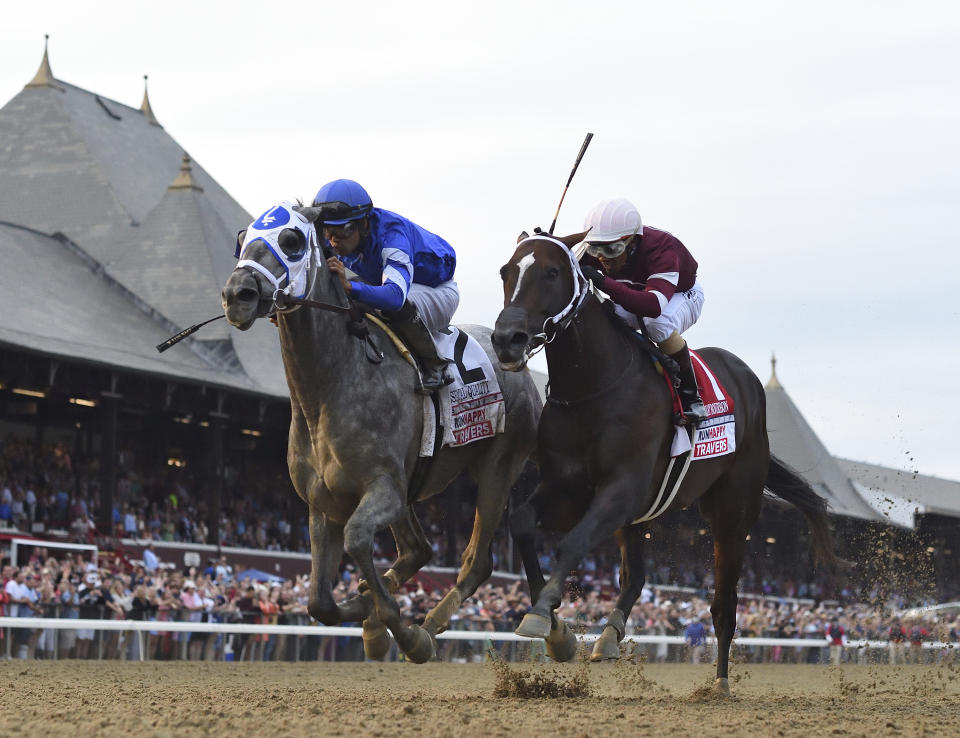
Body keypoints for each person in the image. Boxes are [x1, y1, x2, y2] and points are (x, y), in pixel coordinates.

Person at [313, 179, 459, 392]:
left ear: (363, 223)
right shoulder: (337, 236)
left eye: (343, 231)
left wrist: (350, 289)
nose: (333, 241)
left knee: (380, 301)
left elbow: (394, 297)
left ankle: (435, 365)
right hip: (390, 283)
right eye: (327, 231)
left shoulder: (392, 236)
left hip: (438, 291)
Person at [579, 198, 707, 423]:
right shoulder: (595, 248)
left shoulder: (661, 248)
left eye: (612, 249)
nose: (602, 257)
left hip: (680, 295)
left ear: (633, 242)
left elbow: (653, 307)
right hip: (635, 293)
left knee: (656, 324)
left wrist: (604, 282)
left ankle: (691, 398)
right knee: (605, 322)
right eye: (595, 249)